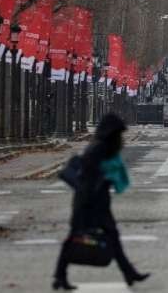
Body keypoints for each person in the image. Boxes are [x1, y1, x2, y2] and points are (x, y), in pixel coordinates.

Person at [53, 113, 150, 290]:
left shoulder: (101, 147)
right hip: (89, 203)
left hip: (96, 202)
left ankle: (129, 273)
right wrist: (103, 182)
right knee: (76, 239)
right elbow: (89, 177)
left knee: (111, 237)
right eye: (118, 134)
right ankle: (60, 276)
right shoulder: (98, 149)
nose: (121, 138)